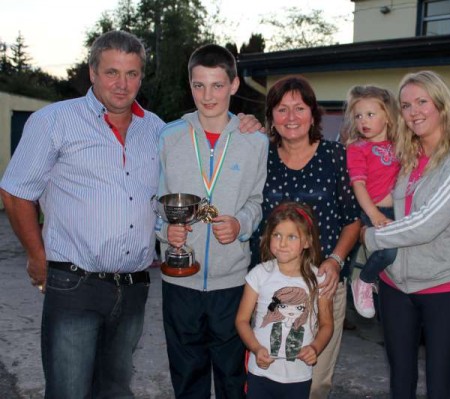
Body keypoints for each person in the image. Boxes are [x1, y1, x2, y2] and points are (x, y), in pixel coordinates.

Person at [0, 30, 164, 398]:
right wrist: (36, 256)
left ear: (141, 77)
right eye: (111, 72)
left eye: (132, 74)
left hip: (134, 286)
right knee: (69, 390)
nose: (122, 85)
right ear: (92, 73)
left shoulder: (155, 129)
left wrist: (242, 122)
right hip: (74, 284)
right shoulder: (55, 121)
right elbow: (15, 193)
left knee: (115, 390)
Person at [362, 70, 450, 399]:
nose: (414, 111)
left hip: (444, 286)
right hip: (395, 285)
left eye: (422, 102)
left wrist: (371, 239)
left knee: (439, 387)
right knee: (400, 382)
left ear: (442, 105)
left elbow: (428, 222)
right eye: (405, 105)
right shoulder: (404, 154)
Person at [157, 43, 268, 399]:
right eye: (199, 85)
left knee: (232, 376)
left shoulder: (255, 141)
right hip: (180, 280)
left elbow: (257, 200)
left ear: (234, 85)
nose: (208, 95)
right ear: (189, 85)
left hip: (232, 282)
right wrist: (165, 229)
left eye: (217, 85)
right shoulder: (169, 136)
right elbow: (153, 199)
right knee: (187, 375)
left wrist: (241, 225)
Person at [249, 75, 361, 399]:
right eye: (282, 109)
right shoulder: (262, 156)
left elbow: (352, 220)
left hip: (321, 286)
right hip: (270, 287)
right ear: (271, 117)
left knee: (314, 381)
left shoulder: (334, 156)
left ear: (313, 114)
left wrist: (336, 260)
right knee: (268, 374)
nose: (291, 117)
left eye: (299, 108)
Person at [236, 201, 334, 399]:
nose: (282, 243)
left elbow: (326, 325)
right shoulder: (259, 274)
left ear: (307, 241)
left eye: (291, 237)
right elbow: (241, 320)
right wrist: (255, 348)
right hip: (260, 373)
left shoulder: (319, 280)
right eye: (277, 235)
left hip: (298, 377)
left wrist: (315, 348)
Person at [344, 85, 401, 319]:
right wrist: (373, 214)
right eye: (358, 116)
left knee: (396, 258)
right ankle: (364, 281)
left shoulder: (400, 144)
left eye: (370, 114)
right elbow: (358, 185)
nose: (363, 121)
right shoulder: (358, 149)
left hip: (397, 210)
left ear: (387, 116)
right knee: (388, 253)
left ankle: (378, 283)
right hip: (372, 209)